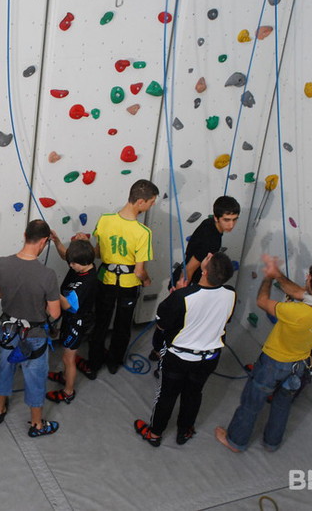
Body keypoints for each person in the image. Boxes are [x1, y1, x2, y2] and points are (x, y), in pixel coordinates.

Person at [215, 260, 312, 453]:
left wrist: (267, 278)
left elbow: (262, 301)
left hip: (274, 364)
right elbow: (301, 292)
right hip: (298, 365)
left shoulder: (296, 312)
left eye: (309, 278)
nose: (306, 278)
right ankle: (271, 442)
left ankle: (235, 441)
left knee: (252, 402)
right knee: (282, 405)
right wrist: (277, 273)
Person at [134, 253, 236, 447]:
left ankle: (154, 434)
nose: (207, 256)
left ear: (204, 271)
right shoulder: (231, 293)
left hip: (179, 358)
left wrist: (176, 294)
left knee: (167, 395)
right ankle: (185, 431)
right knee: (194, 394)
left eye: (208, 259)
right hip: (209, 358)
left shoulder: (183, 296)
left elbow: (162, 325)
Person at [0, 220, 61, 437]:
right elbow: (55, 313)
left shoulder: (1, 264)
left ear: (24, 234)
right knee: (35, 377)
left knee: (4, 367)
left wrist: (13, 295)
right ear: (44, 242)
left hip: (8, 329)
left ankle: (0, 408)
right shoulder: (47, 275)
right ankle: (37, 424)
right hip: (35, 334)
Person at [150, 196, 240, 362]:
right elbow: (191, 267)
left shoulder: (209, 225)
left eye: (234, 220)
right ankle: (159, 351)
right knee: (173, 320)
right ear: (216, 217)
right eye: (227, 220)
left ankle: (158, 349)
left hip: (189, 277)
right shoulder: (210, 239)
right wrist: (182, 289)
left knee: (174, 318)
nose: (231, 225)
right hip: (187, 279)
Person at [83, 179, 159, 377]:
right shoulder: (143, 233)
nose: (152, 206)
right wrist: (147, 280)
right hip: (128, 284)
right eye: (151, 202)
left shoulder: (105, 220)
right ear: (141, 202)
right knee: (123, 325)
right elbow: (139, 271)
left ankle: (94, 363)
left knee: (100, 322)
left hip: (105, 279)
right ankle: (114, 362)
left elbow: (97, 253)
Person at [45, 235, 97, 404]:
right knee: (66, 355)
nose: (70, 265)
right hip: (70, 319)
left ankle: (68, 391)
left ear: (85, 261)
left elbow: (68, 305)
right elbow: (65, 254)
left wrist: (50, 288)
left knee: (69, 358)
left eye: (73, 263)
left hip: (77, 322)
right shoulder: (80, 265)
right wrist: (57, 240)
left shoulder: (87, 281)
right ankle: (65, 376)